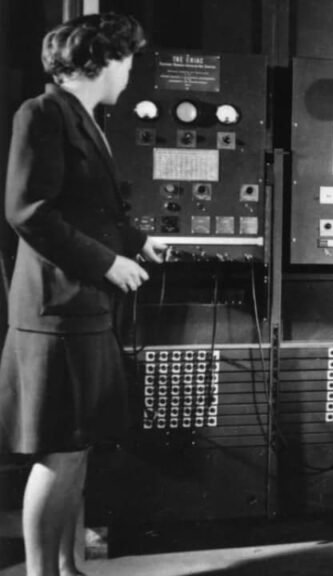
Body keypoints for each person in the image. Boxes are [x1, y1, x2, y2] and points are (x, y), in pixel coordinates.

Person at [0, 13, 165, 576]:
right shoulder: (43, 113)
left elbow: (87, 209)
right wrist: (109, 263)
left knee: (79, 447)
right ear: (103, 60)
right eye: (128, 60)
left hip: (84, 309)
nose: (130, 74)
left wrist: (139, 243)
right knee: (62, 451)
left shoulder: (84, 119)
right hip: (58, 313)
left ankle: (69, 568)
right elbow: (28, 210)